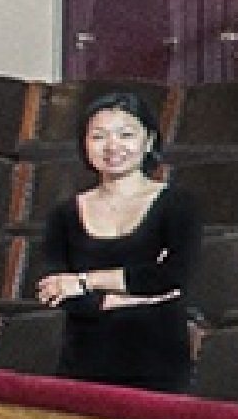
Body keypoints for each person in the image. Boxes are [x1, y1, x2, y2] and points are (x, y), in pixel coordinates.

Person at [30, 97, 194, 385]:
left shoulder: (178, 205)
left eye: (126, 135)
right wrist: (135, 295)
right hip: (83, 358)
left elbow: (172, 277)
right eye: (98, 136)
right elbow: (52, 289)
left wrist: (83, 282)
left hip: (157, 356)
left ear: (149, 140)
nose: (112, 146)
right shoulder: (64, 214)